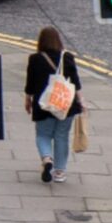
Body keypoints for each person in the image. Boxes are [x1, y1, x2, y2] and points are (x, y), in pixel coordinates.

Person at [23, 26, 81, 184]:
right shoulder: (67, 57)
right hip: (65, 104)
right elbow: (75, 82)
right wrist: (80, 101)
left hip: (43, 103)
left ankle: (47, 159)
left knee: (43, 135)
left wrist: (28, 99)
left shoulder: (35, 58)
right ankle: (60, 172)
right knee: (61, 136)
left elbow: (31, 82)